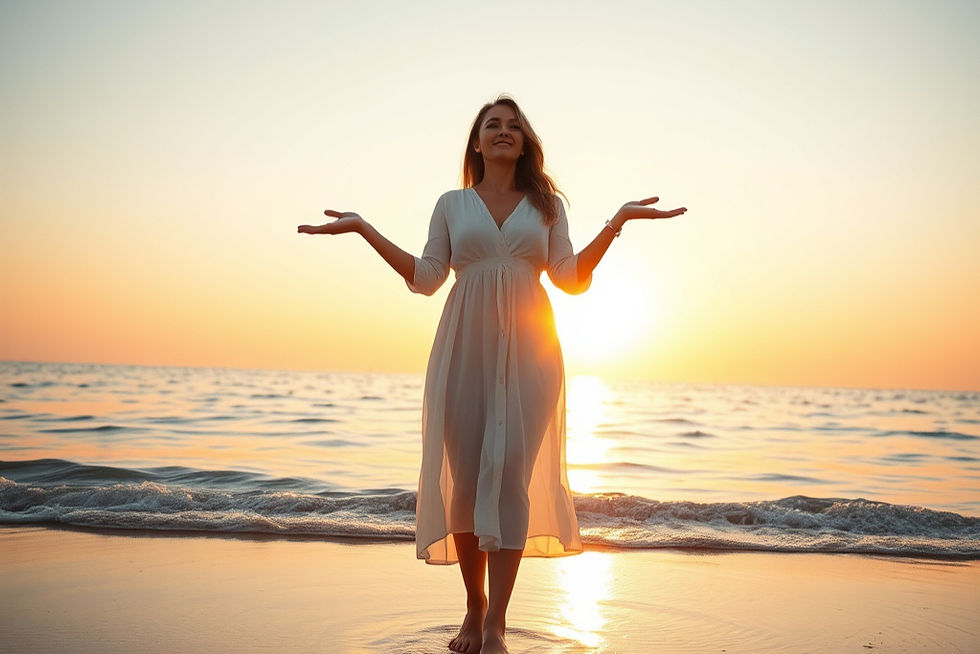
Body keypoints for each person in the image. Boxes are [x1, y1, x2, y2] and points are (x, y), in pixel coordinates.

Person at [297, 94, 686, 654]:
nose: (504, 131)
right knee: (464, 480)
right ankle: (473, 607)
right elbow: (428, 278)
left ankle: (498, 621)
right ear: (477, 142)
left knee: (510, 482)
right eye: (492, 125)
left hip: (532, 352)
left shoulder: (547, 205)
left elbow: (571, 278)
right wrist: (364, 230)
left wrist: (617, 222)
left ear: (525, 141)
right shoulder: (452, 204)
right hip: (462, 350)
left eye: (513, 125)